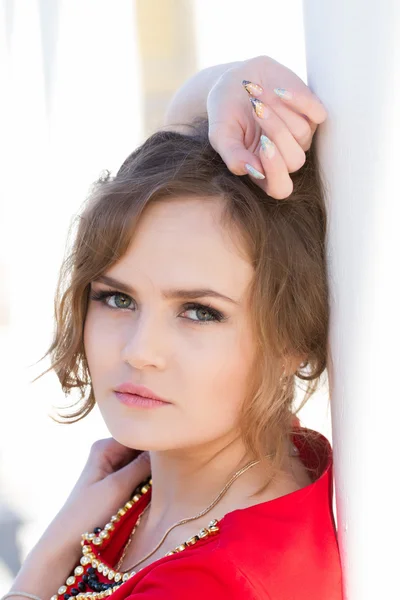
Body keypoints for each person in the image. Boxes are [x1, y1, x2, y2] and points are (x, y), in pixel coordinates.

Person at [4, 55, 342, 600]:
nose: (141, 352)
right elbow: (187, 126)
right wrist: (228, 85)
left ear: (291, 339)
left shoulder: (218, 581)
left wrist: (43, 564)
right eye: (116, 298)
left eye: (199, 312)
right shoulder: (197, 477)